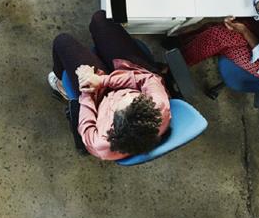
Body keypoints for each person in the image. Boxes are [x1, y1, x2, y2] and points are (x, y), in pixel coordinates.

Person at [48, 11, 171, 160]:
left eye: (118, 104)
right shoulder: (158, 106)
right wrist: (102, 80)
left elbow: (86, 124)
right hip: (128, 73)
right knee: (100, 19)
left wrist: (87, 87)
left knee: (62, 42)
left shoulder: (99, 144)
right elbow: (146, 79)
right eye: (132, 96)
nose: (123, 95)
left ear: (113, 126)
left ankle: (61, 84)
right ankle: (102, 59)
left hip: (97, 98)